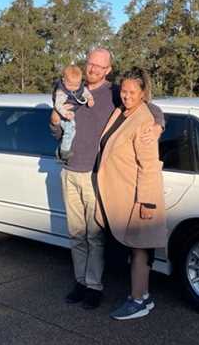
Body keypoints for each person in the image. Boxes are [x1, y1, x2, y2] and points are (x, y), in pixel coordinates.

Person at [50, 48, 163, 310]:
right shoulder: (68, 88)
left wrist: (158, 124)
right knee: (76, 234)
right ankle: (80, 282)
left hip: (94, 176)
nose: (93, 69)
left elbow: (147, 106)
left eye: (100, 66)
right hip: (69, 170)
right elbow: (56, 130)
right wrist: (54, 120)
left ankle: (94, 286)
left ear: (108, 70)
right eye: (90, 63)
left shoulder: (115, 92)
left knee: (94, 236)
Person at [94, 69, 166, 320]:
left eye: (132, 92)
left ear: (143, 93)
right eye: (123, 91)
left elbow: (149, 164)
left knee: (139, 248)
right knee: (138, 248)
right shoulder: (123, 112)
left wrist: (147, 202)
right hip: (122, 192)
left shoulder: (145, 122)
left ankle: (137, 301)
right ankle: (142, 296)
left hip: (137, 195)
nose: (125, 96)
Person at [52, 64, 94, 161]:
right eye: (70, 85)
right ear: (63, 80)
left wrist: (90, 99)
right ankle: (64, 151)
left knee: (71, 129)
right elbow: (58, 105)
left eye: (76, 85)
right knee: (70, 130)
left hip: (70, 113)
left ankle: (63, 149)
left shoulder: (79, 88)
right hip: (63, 114)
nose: (73, 88)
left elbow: (85, 92)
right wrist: (65, 113)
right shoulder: (61, 92)